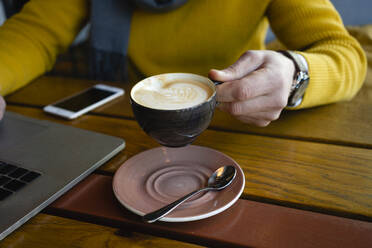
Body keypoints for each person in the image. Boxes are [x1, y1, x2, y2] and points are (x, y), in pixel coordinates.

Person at [0, 0, 367, 126]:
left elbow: (345, 53)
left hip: (237, 124)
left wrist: (294, 75)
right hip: (130, 123)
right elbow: (34, 35)